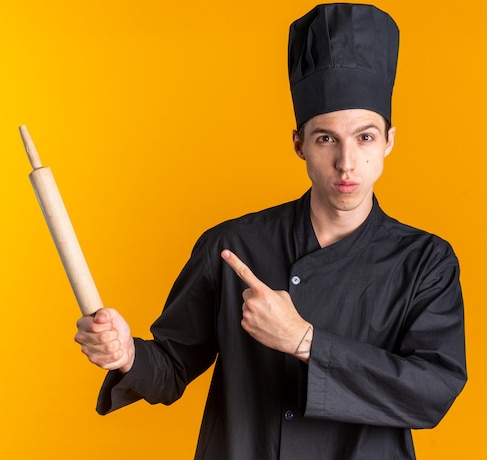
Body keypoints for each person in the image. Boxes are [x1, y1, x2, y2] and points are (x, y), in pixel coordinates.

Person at [75, 3, 467, 459]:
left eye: (364, 137)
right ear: (299, 143)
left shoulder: (426, 261)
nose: (346, 162)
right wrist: (127, 355)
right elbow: (170, 366)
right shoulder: (232, 247)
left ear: (388, 142)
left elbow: (431, 392)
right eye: (326, 139)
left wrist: (304, 341)